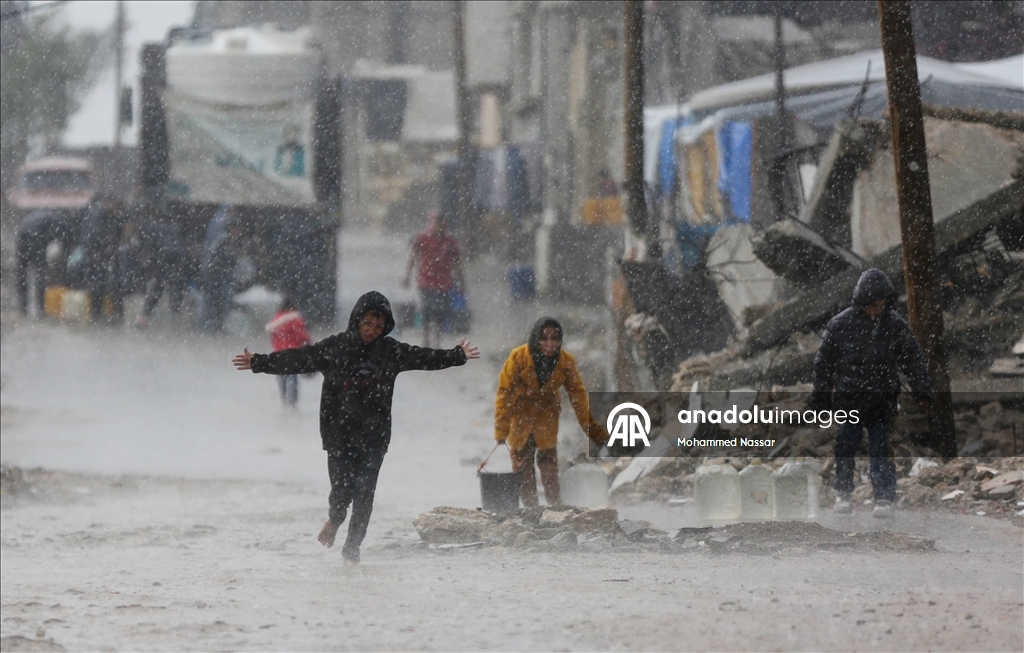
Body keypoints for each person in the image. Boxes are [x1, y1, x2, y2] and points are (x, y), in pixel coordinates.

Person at [233, 291, 479, 563]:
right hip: (339, 434)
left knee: (365, 493)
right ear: (356, 319)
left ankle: (352, 550)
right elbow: (298, 358)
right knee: (341, 491)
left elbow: (425, 357)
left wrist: (458, 355)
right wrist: (258, 362)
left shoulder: (390, 351)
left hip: (375, 436)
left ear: (385, 326)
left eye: (378, 326)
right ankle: (335, 519)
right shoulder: (335, 348)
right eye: (367, 323)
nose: (372, 330)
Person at [811, 268, 933, 518]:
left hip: (881, 400)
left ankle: (884, 498)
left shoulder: (894, 325)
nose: (878, 310)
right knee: (845, 446)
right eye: (874, 305)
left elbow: (912, 359)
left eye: (882, 305)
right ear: (863, 303)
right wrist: (821, 398)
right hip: (850, 400)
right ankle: (843, 493)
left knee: (881, 449)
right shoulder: (840, 325)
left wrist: (922, 388)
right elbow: (823, 366)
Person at [493, 317, 608, 507]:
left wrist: (590, 428)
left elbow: (577, 395)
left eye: (554, 339)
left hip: (546, 418)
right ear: (535, 339)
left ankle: (555, 508)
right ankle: (531, 509)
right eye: (544, 338)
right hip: (521, 417)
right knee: (522, 466)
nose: (549, 344)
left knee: (549, 465)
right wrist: (501, 430)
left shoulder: (565, 361)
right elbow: (504, 394)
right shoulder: (518, 358)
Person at [402, 211, 464, 347]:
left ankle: (437, 340)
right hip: (425, 281)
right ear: (431, 223)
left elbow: (457, 263)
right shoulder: (422, 239)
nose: (439, 226)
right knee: (427, 310)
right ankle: (426, 339)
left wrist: (460, 282)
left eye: (442, 223)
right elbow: (413, 257)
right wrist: (407, 276)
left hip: (444, 282)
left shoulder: (450, 242)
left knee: (440, 312)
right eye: (436, 223)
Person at [16, 209, 78, 316]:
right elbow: (65, 248)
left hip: (22, 233)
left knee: (22, 270)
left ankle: (23, 307)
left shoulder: (51, 217)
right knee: (40, 271)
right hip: (36, 235)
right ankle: (41, 308)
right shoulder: (65, 224)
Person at [265, 296, 312, 407]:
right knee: (292, 377)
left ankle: (284, 400)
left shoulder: (276, 319)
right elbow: (302, 336)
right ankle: (292, 403)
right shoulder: (295, 319)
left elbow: (273, 337)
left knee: (281, 376)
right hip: (292, 352)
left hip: (277, 352)